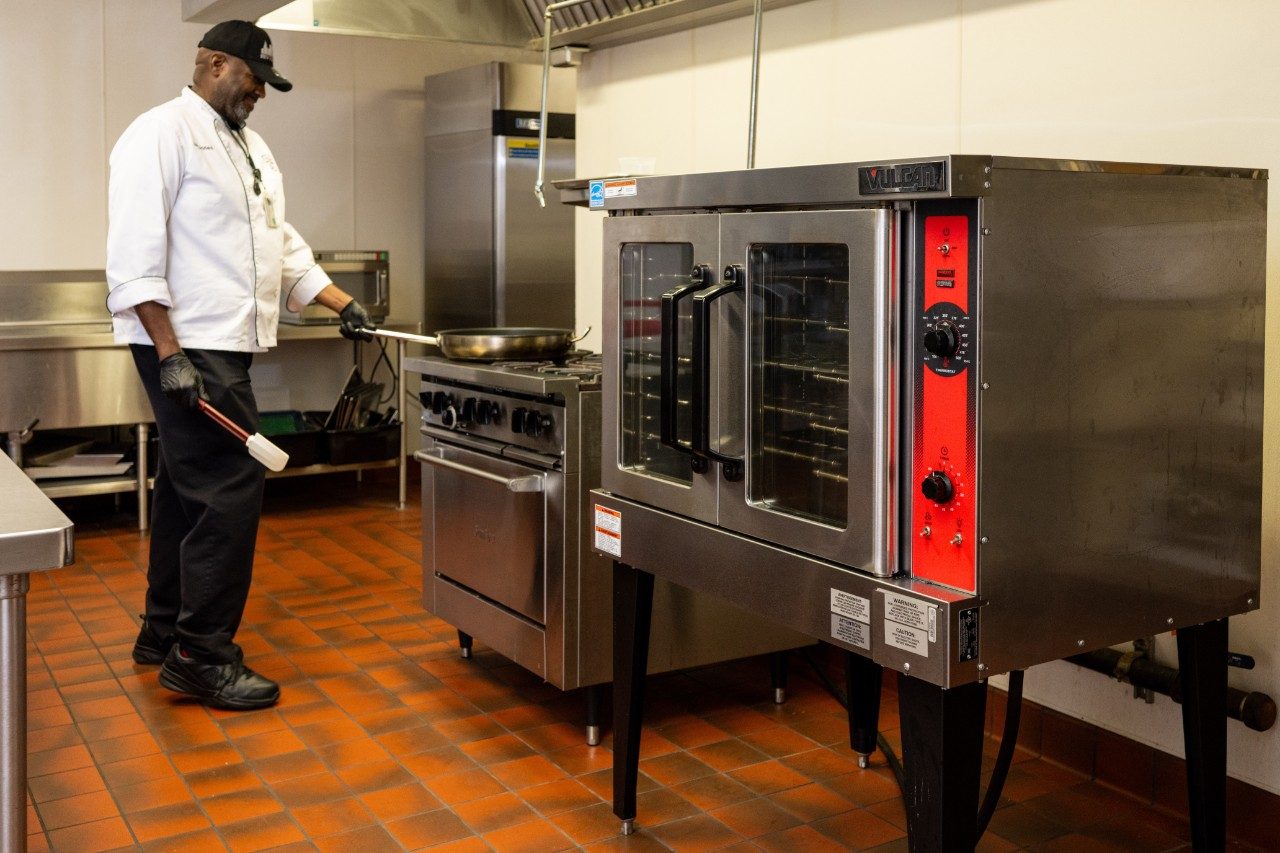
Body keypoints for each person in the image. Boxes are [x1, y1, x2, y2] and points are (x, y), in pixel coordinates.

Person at [105, 20, 375, 710]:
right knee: (230, 482)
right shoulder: (159, 134)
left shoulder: (247, 147)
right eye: (253, 77)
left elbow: (277, 243)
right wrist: (170, 355)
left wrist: (340, 301)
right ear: (213, 63)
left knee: (185, 486)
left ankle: (163, 631)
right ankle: (202, 653)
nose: (260, 92)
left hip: (223, 343)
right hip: (186, 344)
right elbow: (133, 256)